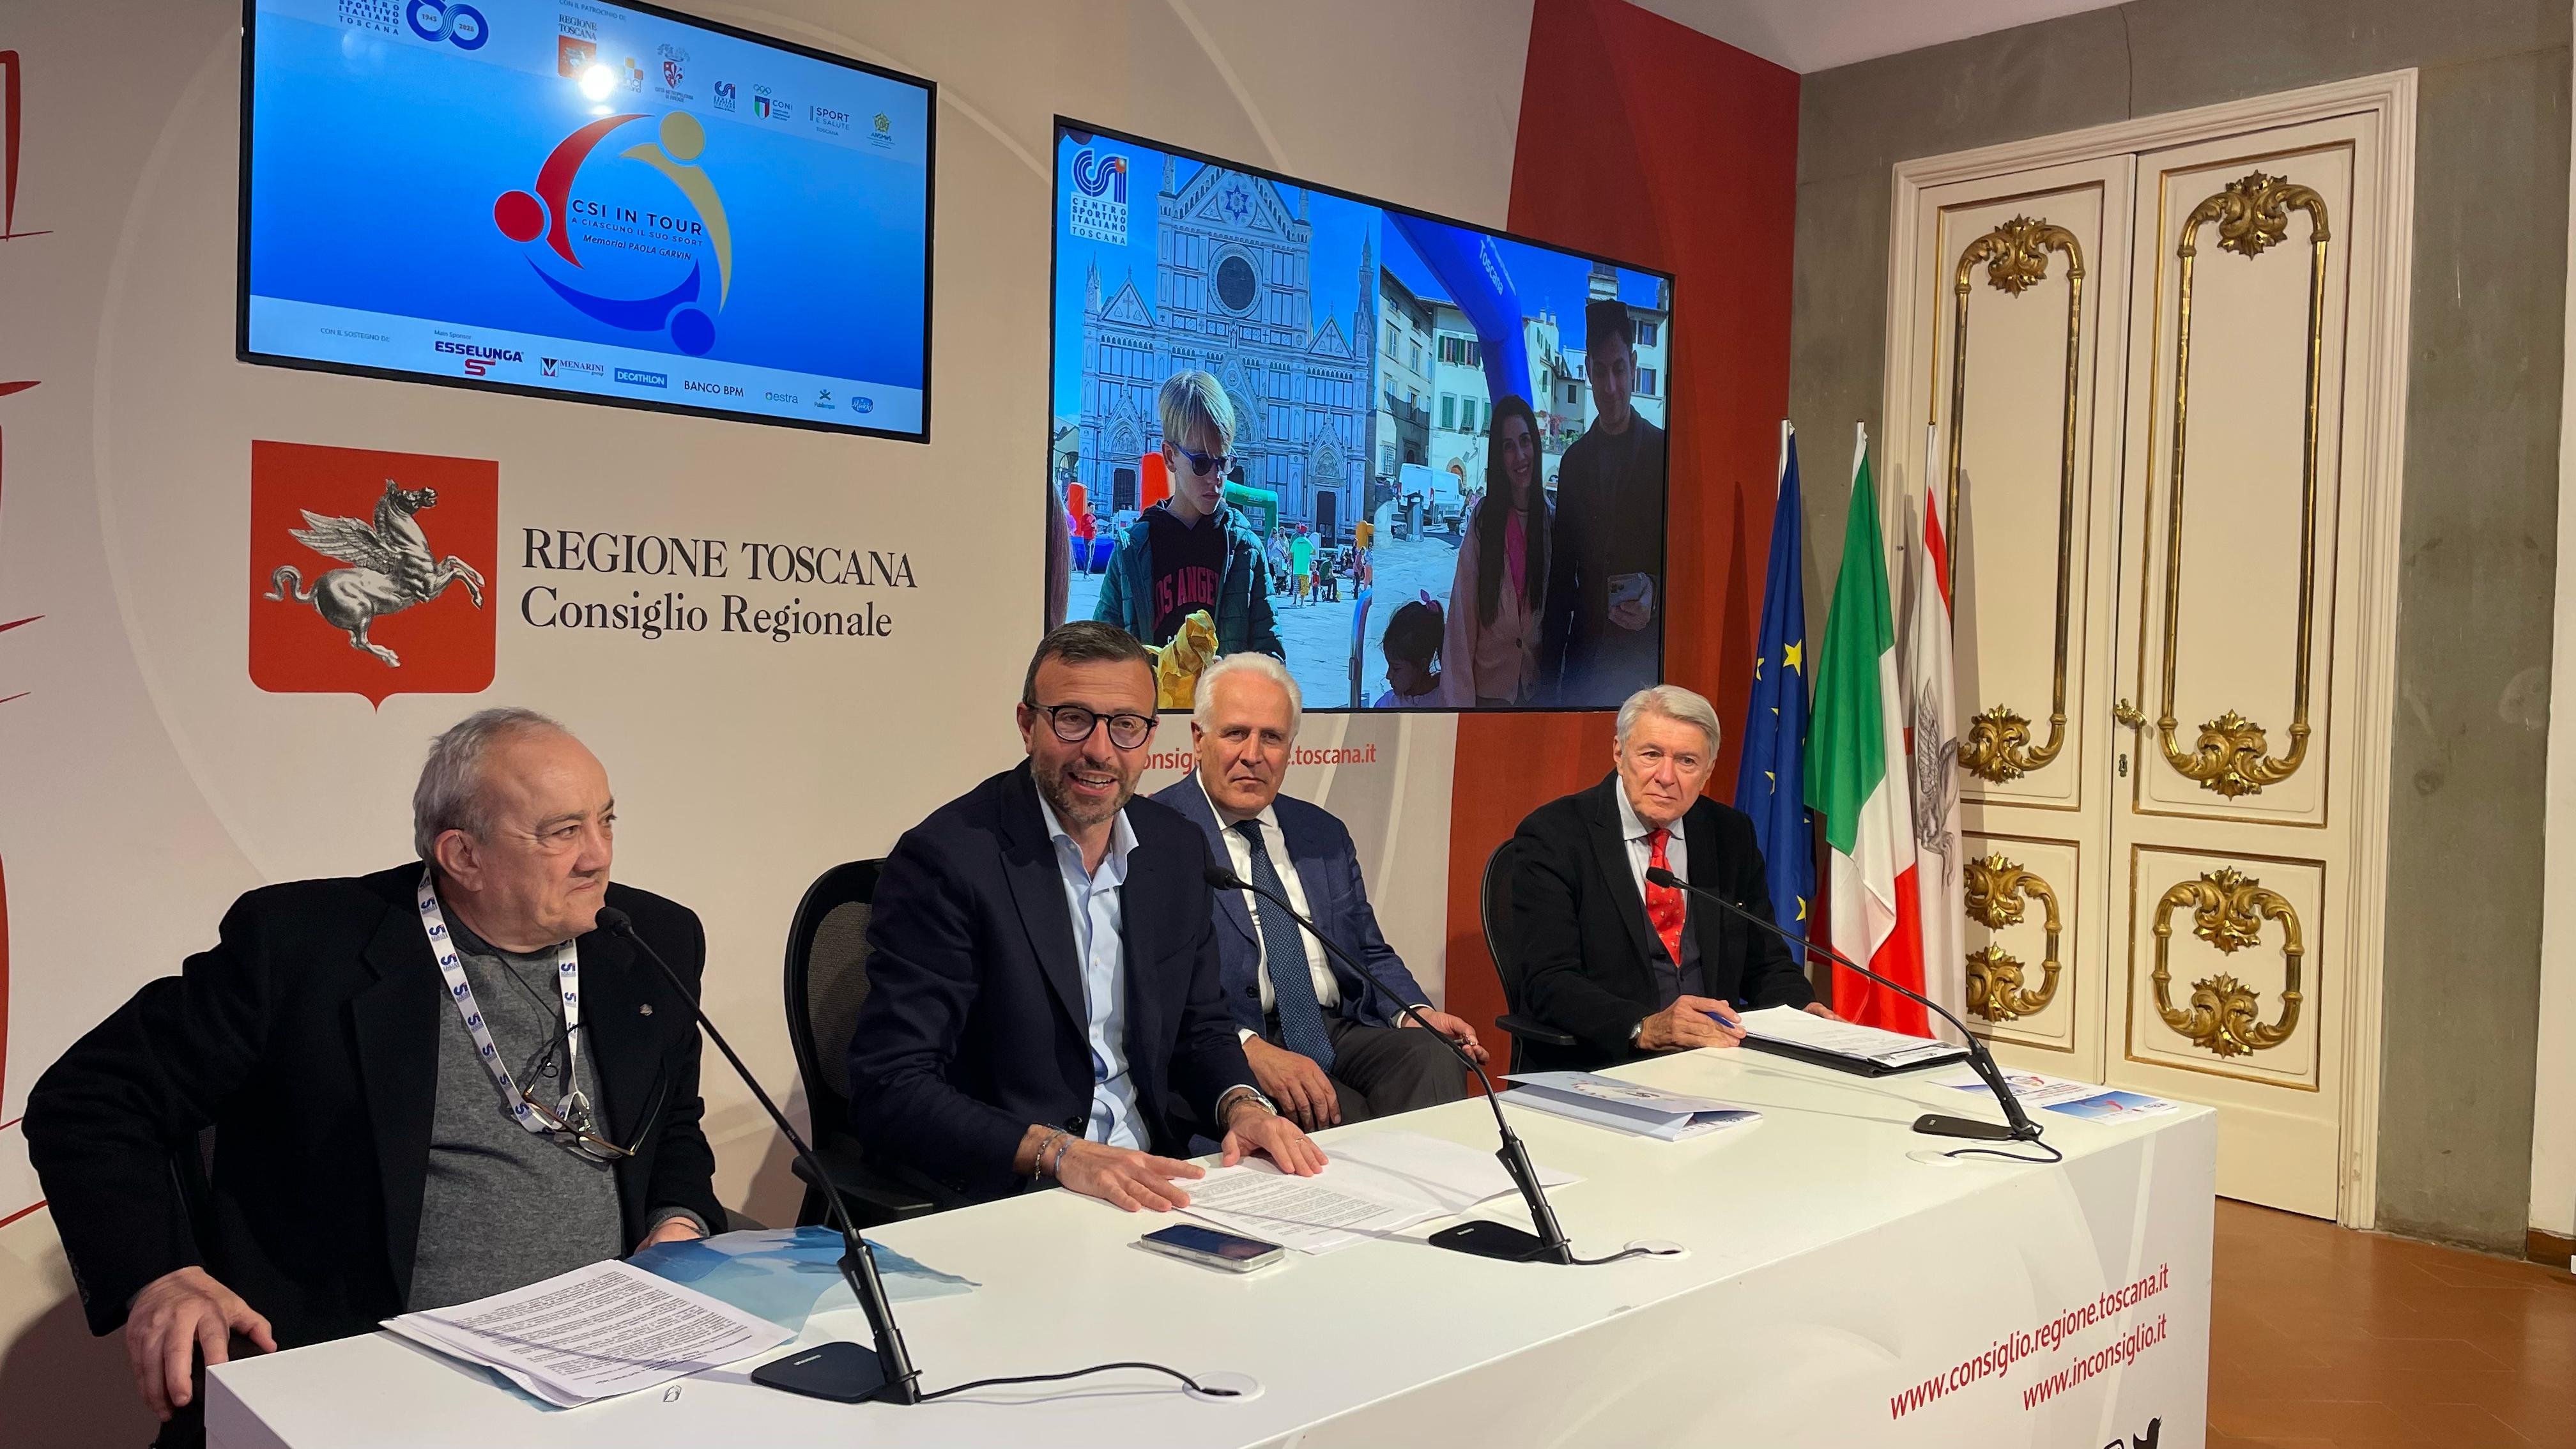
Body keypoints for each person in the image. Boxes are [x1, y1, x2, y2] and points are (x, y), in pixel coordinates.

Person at [25, 709, 721, 1443]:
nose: (598, 857)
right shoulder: (302, 947)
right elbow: (91, 1100)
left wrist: (678, 1220)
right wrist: (160, 1275)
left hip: (603, 1366)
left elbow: (671, 1119)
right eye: (563, 832)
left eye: (606, 820)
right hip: (374, 1373)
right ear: (463, 855)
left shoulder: (651, 938)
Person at [847, 622, 1324, 1208]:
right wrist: (1060, 1153)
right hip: (1014, 1191)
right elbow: (891, 1086)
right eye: (1073, 719)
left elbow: (1200, 1029)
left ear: (1150, 736)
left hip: (1155, 1178)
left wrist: (1242, 1105)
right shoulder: (947, 861)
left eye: (1125, 725)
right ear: (1027, 725)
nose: (1100, 750)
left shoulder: (1175, 849)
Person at [1154, 654, 1483, 1130]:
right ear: (1198, 739)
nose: (1253, 754)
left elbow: (1367, 950)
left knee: (1435, 1054)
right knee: (1351, 1116)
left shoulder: (1322, 832)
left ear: (1290, 749)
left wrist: (1414, 1013)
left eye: (1272, 737)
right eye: (1235, 733)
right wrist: (1246, 1046)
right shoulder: (1157, 832)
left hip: (1335, 1025)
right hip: (1234, 1037)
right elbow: (1157, 986)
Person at [1508, 685, 1839, 1071]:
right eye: (1651, 755)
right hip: (1604, 1064)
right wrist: (1643, 1026)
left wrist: (1800, 1009)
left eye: (1686, 761)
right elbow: (1549, 980)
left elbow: (1765, 962)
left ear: (1708, 770)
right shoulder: (1555, 835)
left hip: (1717, 1063)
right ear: (1619, 753)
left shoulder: (1730, 833)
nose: (1666, 777)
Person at [1094, 372, 1284, 658]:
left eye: (1224, 461)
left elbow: (1272, 655)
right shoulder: (1131, 551)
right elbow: (1100, 658)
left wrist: (1230, 675)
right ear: (1170, 457)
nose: (1216, 478)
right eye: (1201, 463)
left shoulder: (1246, 549)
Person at [1538, 297, 1666, 705]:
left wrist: (1655, 594)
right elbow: (1561, 579)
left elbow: (1683, 563)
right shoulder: (1573, 463)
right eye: (1600, 371)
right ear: (1588, 371)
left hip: (1644, 668)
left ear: (1633, 365)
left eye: (1619, 369)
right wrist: (1546, 690)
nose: (1610, 388)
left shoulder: (1664, 454)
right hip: (1586, 669)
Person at [1443, 395, 1551, 706]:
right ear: (1499, 456)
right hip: (1488, 695)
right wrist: (1459, 709)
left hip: (1535, 694)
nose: (1520, 456)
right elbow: (1462, 617)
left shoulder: (1551, 521)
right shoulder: (1483, 519)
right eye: (1508, 446)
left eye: (1525, 441)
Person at [1375, 597, 1445, 709]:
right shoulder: (1385, 705)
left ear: (1423, 664)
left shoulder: (1446, 700)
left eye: (1396, 669)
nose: (1388, 676)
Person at [1289, 525, 1315, 608]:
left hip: (1296, 569)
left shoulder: (1296, 541)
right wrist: (1307, 552)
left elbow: (1291, 553)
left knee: (1296, 586)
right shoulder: (1308, 542)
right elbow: (1314, 552)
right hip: (1305, 569)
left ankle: (1294, 602)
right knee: (1304, 587)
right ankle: (1302, 603)